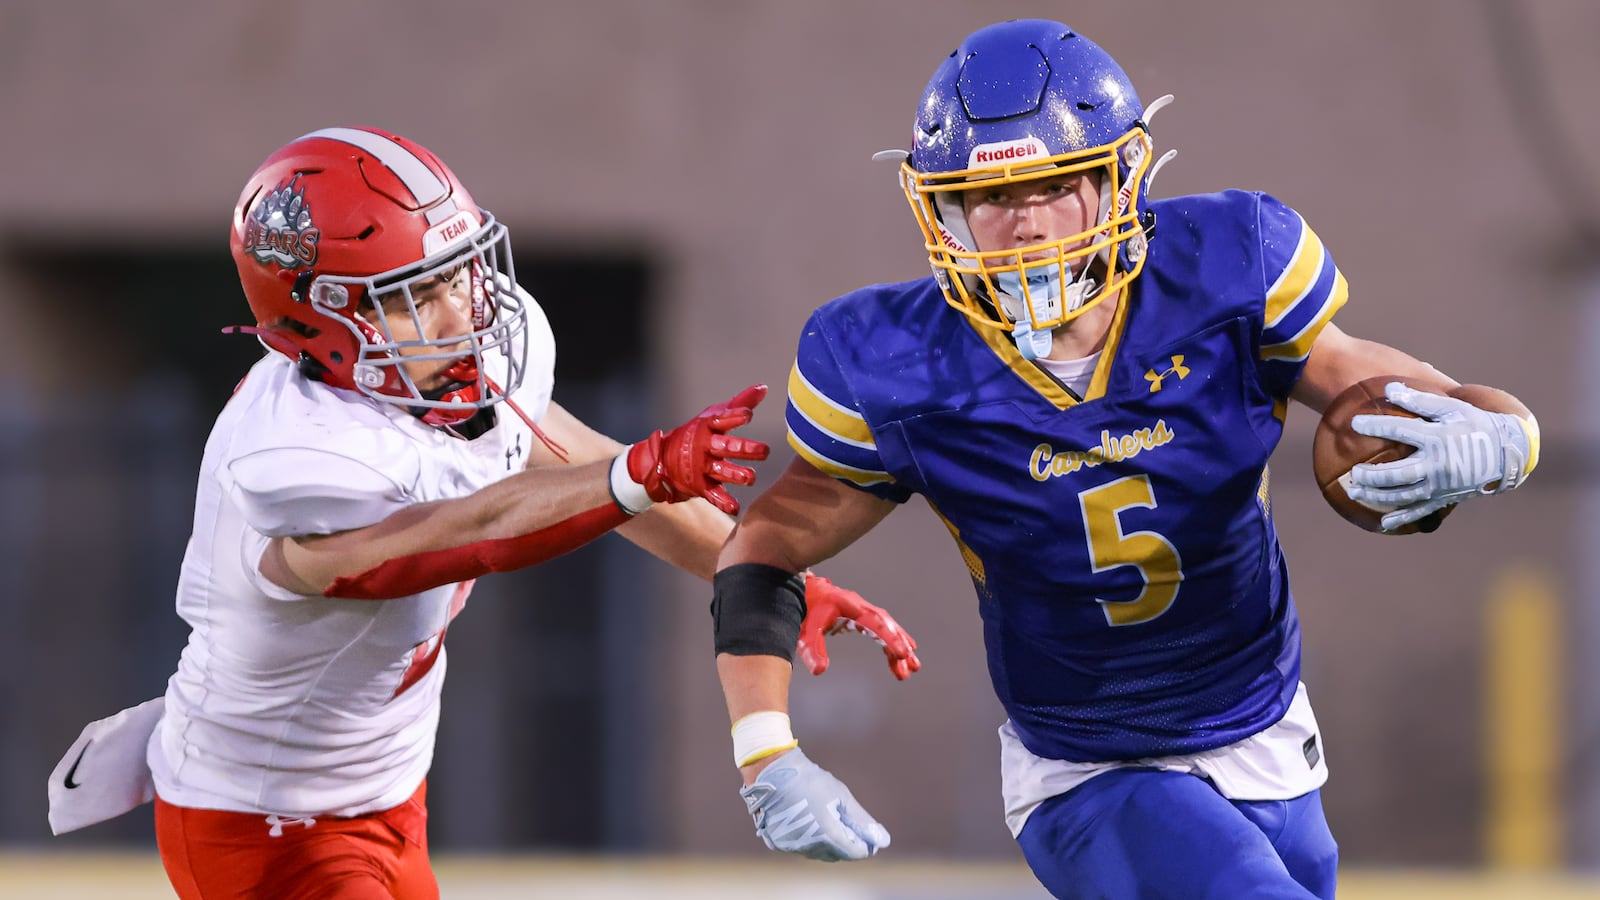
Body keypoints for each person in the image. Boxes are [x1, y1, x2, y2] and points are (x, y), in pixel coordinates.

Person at [708, 19, 1541, 899]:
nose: (1027, 225)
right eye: (993, 197)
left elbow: (1400, 390)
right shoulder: (899, 365)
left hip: (1266, 728)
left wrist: (1505, 438)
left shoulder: (1226, 275)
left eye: (1057, 184)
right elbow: (765, 548)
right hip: (1090, 769)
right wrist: (766, 754)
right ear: (942, 209)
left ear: (1121, 179)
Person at [44, 126, 920, 900]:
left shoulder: (455, 367)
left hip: (386, 793)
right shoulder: (296, 456)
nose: (462, 306)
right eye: (415, 295)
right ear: (323, 322)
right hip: (263, 819)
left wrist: (767, 575)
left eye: (458, 270)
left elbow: (587, 468)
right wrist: (639, 474)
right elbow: (465, 531)